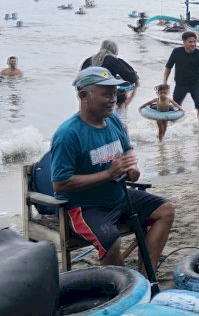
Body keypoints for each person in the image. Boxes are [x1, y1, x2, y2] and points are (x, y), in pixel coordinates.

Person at [51, 67, 175, 268]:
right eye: (106, 94)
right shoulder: (68, 134)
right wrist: (108, 173)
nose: (113, 99)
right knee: (111, 242)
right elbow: (60, 183)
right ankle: (122, 287)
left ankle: (146, 277)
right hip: (85, 207)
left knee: (165, 210)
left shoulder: (114, 121)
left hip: (119, 196)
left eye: (115, 94)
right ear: (84, 96)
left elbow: (127, 150)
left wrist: (132, 168)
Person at [163, 32, 199, 131]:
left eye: (194, 42)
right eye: (190, 42)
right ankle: (169, 128)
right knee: (175, 108)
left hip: (194, 85)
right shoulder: (176, 52)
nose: (193, 44)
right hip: (180, 85)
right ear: (184, 42)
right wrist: (165, 83)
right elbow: (168, 68)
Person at [81, 40, 139, 120]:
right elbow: (131, 76)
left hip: (87, 99)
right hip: (107, 99)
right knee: (118, 124)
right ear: (115, 50)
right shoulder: (111, 60)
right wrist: (135, 86)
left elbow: (80, 81)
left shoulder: (88, 61)